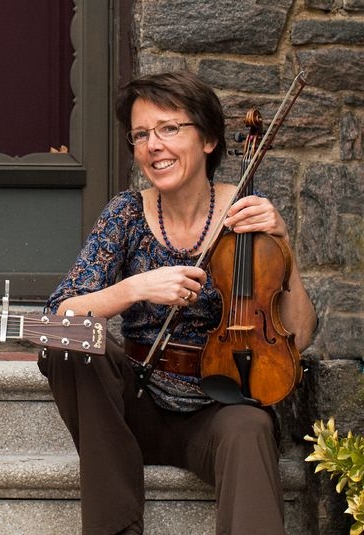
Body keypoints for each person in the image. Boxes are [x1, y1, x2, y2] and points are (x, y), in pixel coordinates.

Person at [38, 71, 317, 535]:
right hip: (133, 405)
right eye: (141, 134)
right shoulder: (126, 213)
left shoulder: (247, 217)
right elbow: (54, 319)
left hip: (217, 409)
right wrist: (135, 288)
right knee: (68, 342)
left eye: (169, 128)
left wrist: (283, 244)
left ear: (208, 139)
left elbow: (300, 336)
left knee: (250, 427)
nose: (153, 146)